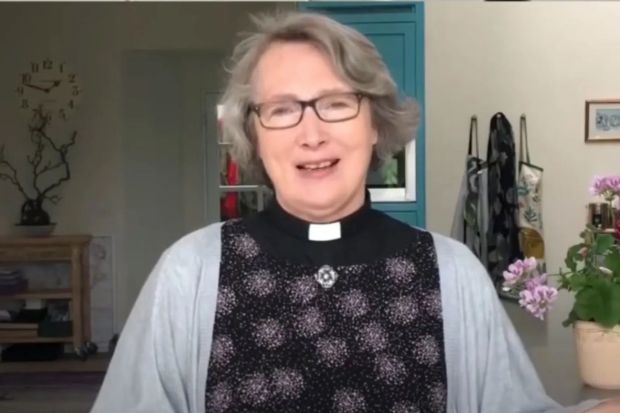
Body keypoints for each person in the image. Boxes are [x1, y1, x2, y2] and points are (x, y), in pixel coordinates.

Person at [91, 11, 619, 413]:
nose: (311, 132)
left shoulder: (453, 273)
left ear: (375, 122)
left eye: (337, 102)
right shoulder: (189, 273)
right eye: (281, 110)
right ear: (253, 135)